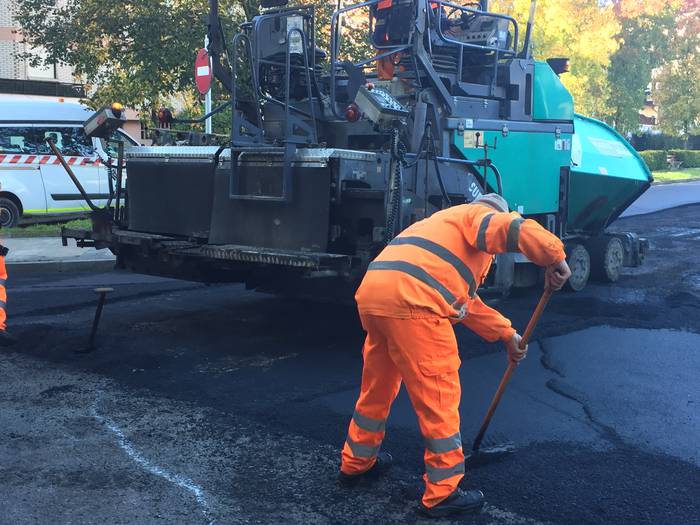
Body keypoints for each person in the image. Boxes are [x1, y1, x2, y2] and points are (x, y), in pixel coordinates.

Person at [338, 193, 571, 518]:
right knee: (439, 396)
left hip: (377, 296)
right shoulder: (476, 217)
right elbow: (506, 228)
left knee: (376, 388)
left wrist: (508, 335)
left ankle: (357, 461)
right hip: (416, 304)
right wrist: (554, 256)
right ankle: (443, 492)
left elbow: (465, 303)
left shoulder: (438, 228)